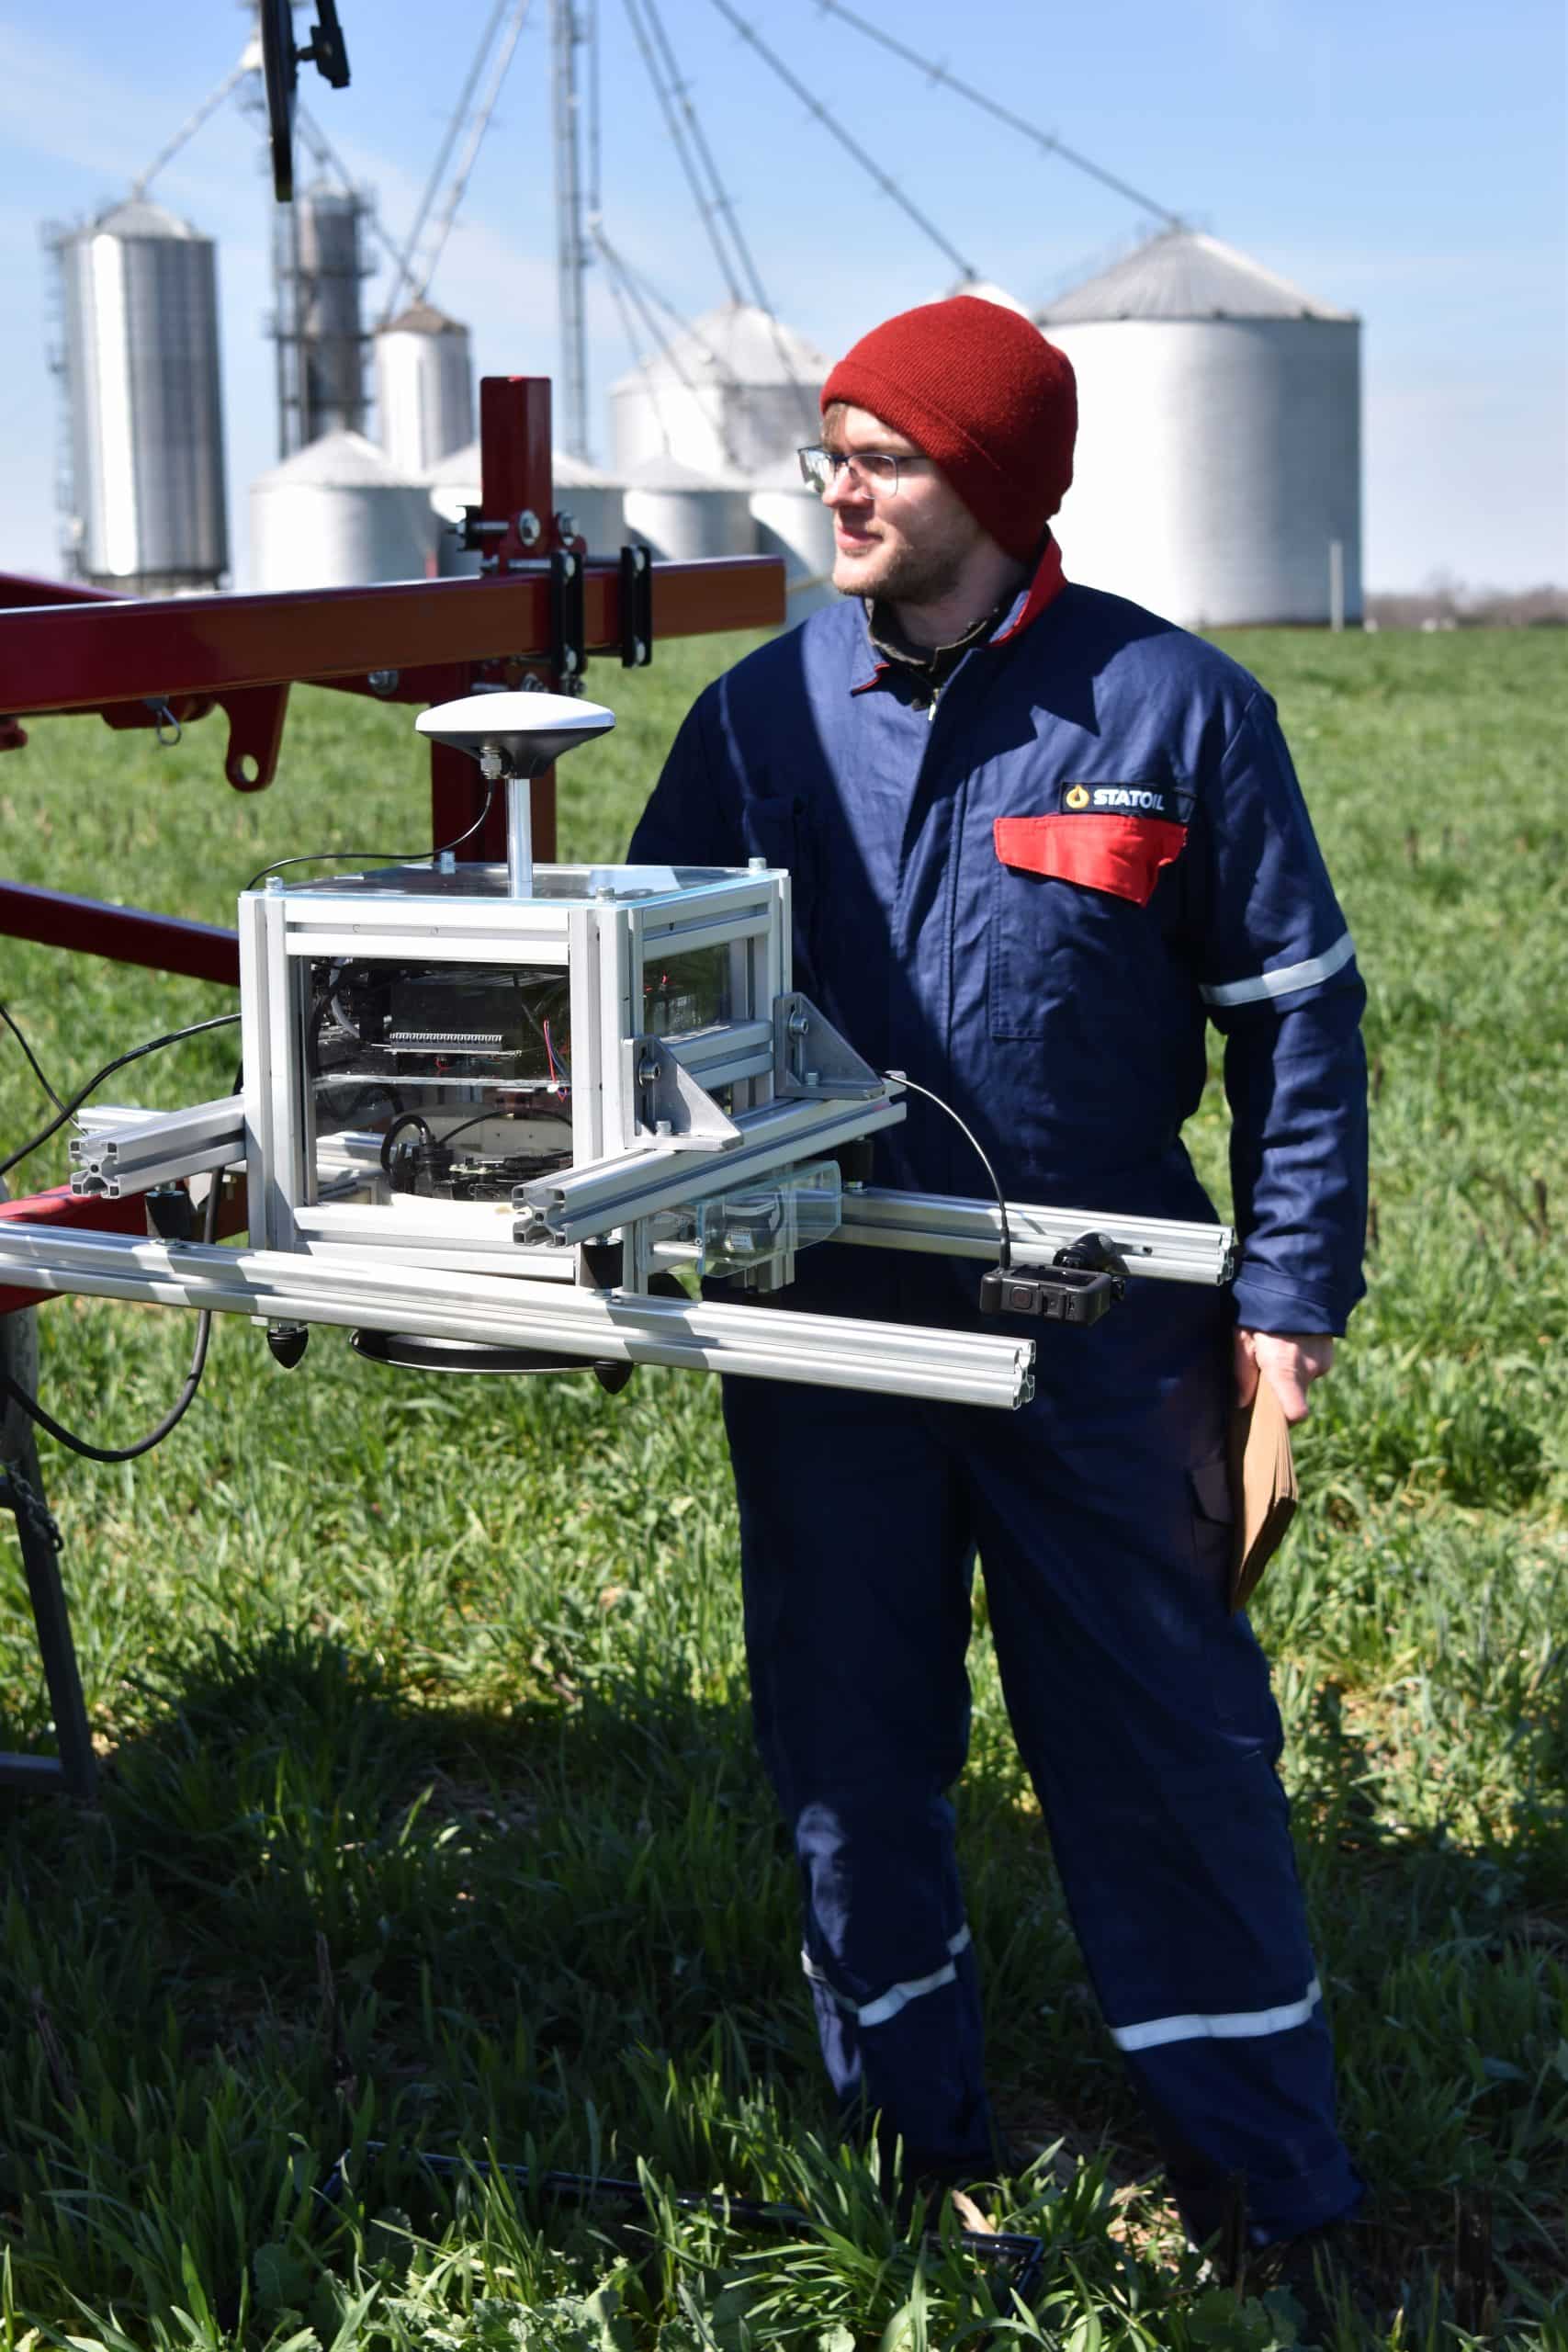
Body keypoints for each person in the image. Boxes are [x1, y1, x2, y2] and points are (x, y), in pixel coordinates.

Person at [628, 295, 1368, 2258]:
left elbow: (1296, 1019)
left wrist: (1285, 1315)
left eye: (883, 454)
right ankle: (911, 2158)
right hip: (825, 1320)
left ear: (996, 480)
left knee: (1167, 1754)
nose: (838, 487)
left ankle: (1271, 2199)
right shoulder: (759, 720)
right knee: (849, 1753)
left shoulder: (1173, 710)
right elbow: (638, 990)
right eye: (833, 450)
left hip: (1095, 1331)